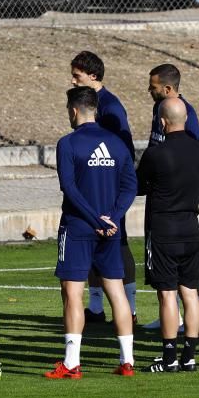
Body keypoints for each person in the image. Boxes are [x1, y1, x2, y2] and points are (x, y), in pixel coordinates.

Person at [45, 86, 137, 379]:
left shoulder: (68, 143)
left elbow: (69, 188)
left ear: (74, 110)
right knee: (117, 291)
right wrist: (113, 218)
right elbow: (130, 187)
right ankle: (127, 361)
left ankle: (71, 363)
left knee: (72, 293)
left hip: (78, 227)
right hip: (111, 230)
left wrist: (94, 219)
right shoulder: (118, 143)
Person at [136, 98, 199, 373]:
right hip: (190, 227)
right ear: (186, 119)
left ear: (162, 122)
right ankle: (188, 356)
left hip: (164, 229)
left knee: (167, 295)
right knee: (190, 293)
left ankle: (169, 358)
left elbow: (139, 185)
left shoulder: (156, 153)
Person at [70, 51, 137, 326]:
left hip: (108, 191)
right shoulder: (89, 103)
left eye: (77, 76)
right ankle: (96, 307)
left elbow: (124, 150)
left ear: (93, 76)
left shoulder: (110, 107)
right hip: (91, 189)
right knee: (93, 245)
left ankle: (130, 309)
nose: (73, 81)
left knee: (117, 244)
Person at [142, 63, 199, 332]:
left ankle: (179, 333)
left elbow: (192, 152)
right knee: (173, 280)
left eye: (153, 87)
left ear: (167, 89)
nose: (149, 90)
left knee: (175, 279)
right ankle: (176, 321)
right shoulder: (160, 109)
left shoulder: (182, 112)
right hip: (168, 202)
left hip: (170, 205)